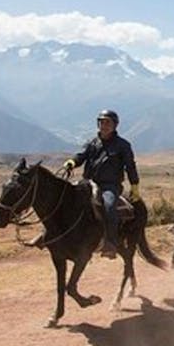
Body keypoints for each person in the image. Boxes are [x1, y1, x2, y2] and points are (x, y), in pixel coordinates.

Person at [62, 109, 140, 258]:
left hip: (109, 186)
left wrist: (135, 186)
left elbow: (130, 167)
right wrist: (72, 162)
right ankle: (49, 234)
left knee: (110, 206)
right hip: (87, 183)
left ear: (115, 125)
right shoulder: (92, 142)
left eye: (107, 122)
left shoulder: (123, 145)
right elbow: (81, 156)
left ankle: (110, 243)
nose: (104, 125)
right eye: (101, 122)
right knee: (64, 198)